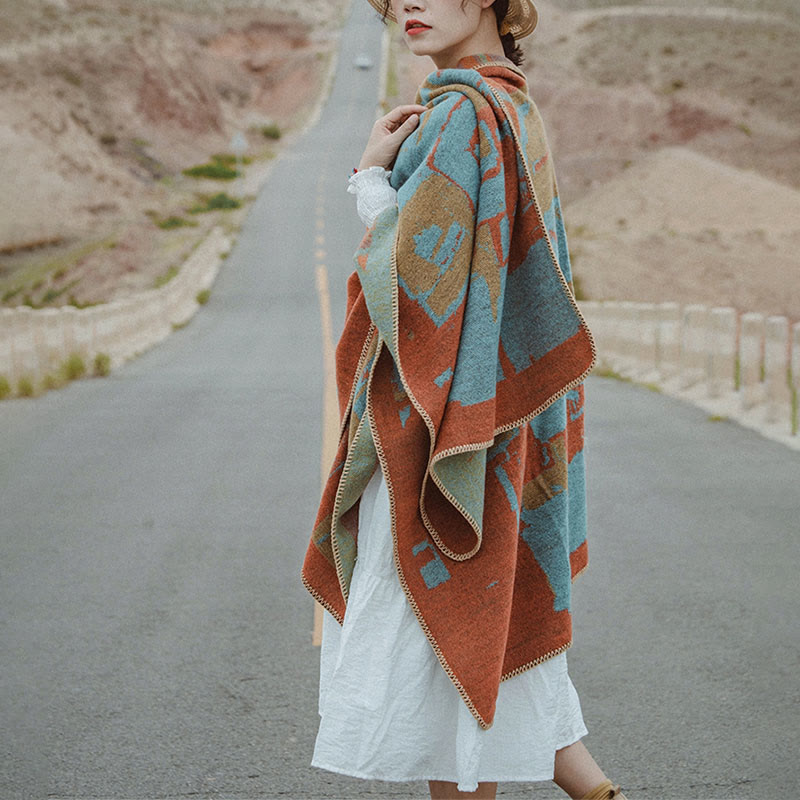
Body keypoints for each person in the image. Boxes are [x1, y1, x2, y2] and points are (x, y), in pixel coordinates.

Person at [301, 1, 629, 798]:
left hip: (443, 430)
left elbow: (413, 283)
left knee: (444, 648)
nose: (407, 7)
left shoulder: (458, 116)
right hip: (499, 418)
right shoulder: (513, 105)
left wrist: (369, 178)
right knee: (499, 647)